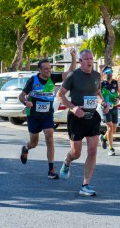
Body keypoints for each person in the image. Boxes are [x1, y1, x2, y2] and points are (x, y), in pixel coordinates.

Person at [56, 49, 110, 196]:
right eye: (86, 59)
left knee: (92, 151)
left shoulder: (97, 76)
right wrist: (73, 108)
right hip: (76, 117)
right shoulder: (73, 76)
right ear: (80, 61)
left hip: (92, 116)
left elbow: (97, 94)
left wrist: (104, 103)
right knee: (76, 153)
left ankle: (85, 185)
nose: (89, 61)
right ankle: (67, 162)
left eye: (91, 58)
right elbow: (60, 95)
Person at [19, 48, 77, 179]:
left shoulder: (53, 76)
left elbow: (70, 73)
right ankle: (26, 148)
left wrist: (74, 58)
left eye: (49, 68)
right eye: (45, 69)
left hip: (47, 114)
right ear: (40, 70)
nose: (48, 71)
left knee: (49, 137)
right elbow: (21, 96)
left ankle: (51, 169)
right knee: (34, 143)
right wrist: (26, 103)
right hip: (33, 115)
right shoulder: (33, 80)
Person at [100, 66, 120, 156]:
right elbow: (97, 94)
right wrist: (103, 103)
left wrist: (118, 98)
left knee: (114, 130)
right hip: (105, 108)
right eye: (108, 72)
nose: (110, 74)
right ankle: (111, 149)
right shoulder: (101, 84)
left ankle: (104, 138)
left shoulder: (115, 82)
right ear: (104, 73)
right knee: (109, 127)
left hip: (114, 107)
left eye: (111, 72)